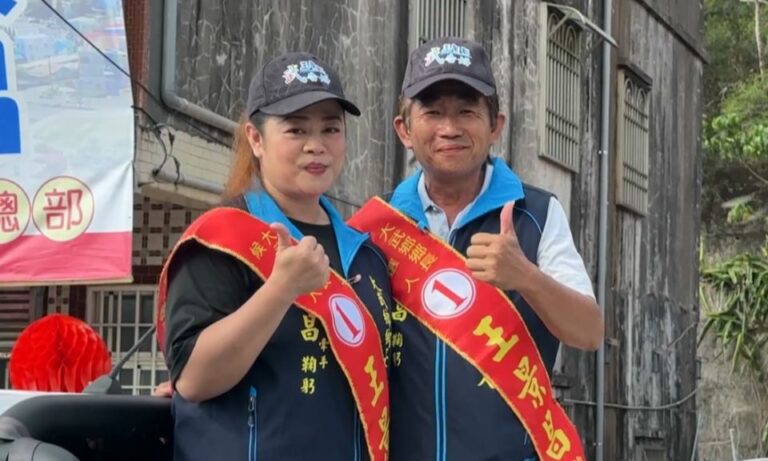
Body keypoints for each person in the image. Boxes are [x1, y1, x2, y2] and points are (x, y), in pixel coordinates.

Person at [350, 37, 603, 461]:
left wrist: (526, 277)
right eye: (432, 112)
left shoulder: (536, 213)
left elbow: (589, 332)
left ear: (495, 126)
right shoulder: (376, 227)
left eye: (467, 112)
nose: (450, 128)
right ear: (404, 130)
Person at [158, 52, 392, 461]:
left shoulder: (366, 255)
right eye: (296, 129)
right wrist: (281, 289)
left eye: (331, 128)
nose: (316, 146)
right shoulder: (221, 240)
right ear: (255, 138)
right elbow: (194, 379)